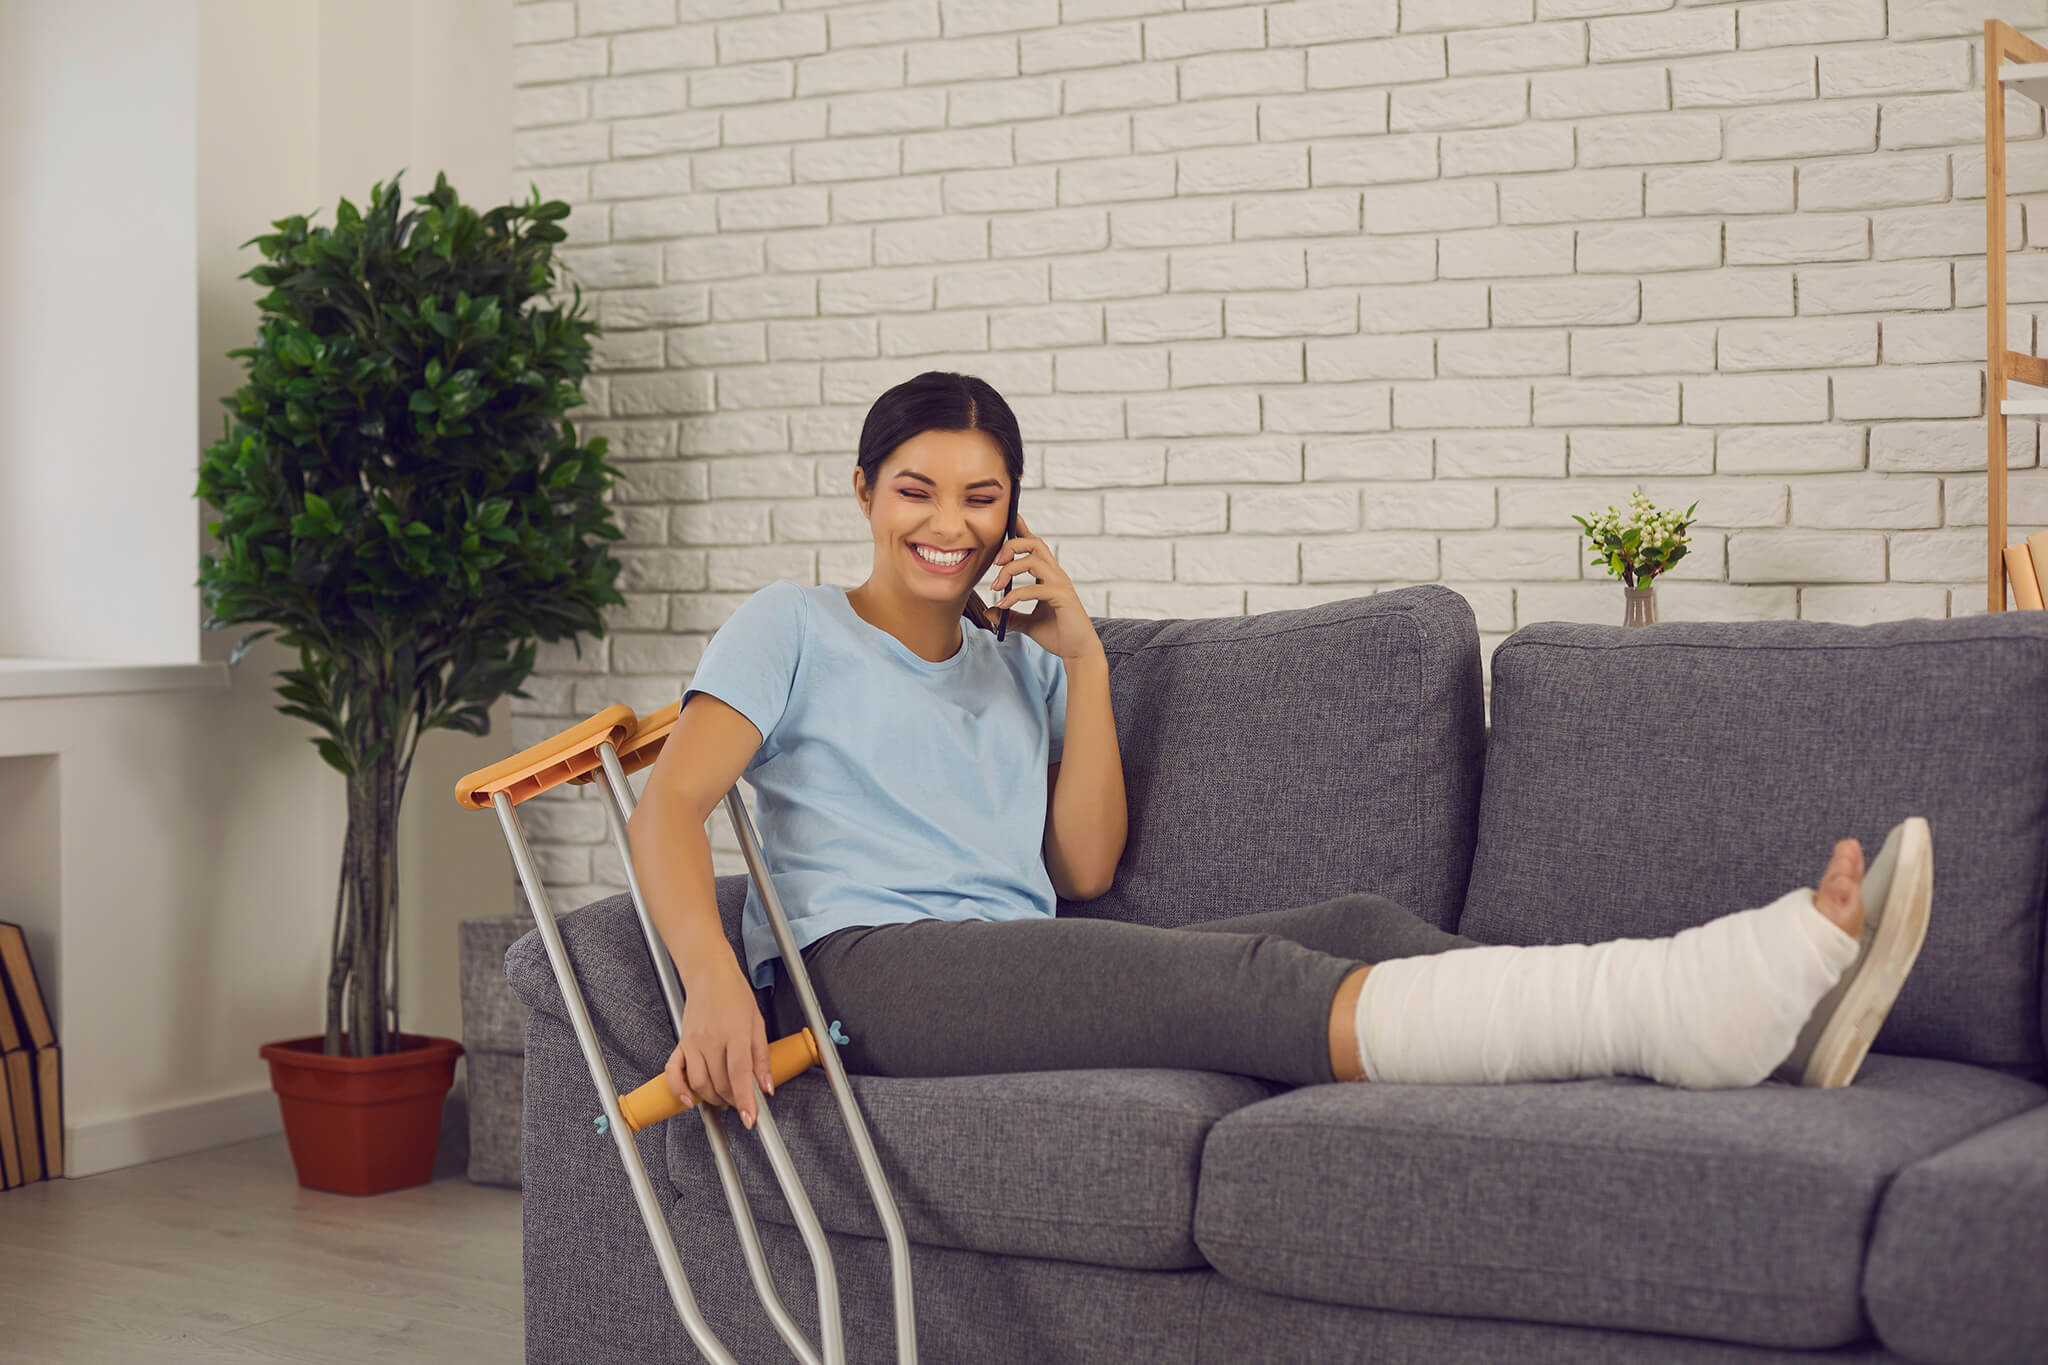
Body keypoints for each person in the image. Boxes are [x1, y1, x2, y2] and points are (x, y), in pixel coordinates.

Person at [624, 371, 1933, 1132]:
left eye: (982, 495)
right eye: (916, 489)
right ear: (864, 493)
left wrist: (1081, 656)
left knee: (1363, 914)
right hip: (865, 980)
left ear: (1013, 508)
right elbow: (669, 811)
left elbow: (1081, 866)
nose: (949, 522)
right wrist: (715, 982)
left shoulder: (1018, 664)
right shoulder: (789, 625)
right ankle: (1691, 1012)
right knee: (1243, 979)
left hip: (1001, 955)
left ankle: (1724, 1017)